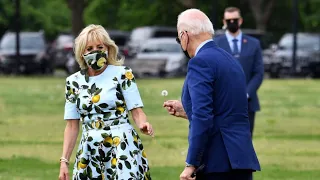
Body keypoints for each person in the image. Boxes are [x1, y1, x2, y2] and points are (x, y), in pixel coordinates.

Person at [163, 9, 260, 180]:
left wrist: (191, 163)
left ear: (184, 36)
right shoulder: (231, 60)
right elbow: (226, 110)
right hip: (241, 160)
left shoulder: (199, 62)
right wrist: (187, 111)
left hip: (216, 163)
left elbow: (203, 116)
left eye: (179, 39)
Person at [58, 24, 153, 180]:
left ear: (108, 48)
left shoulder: (123, 74)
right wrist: (64, 161)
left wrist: (143, 124)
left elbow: (137, 111)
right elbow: (72, 126)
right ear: (82, 52)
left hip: (121, 146)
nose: (95, 52)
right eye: (89, 49)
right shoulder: (73, 82)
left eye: (100, 46)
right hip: (90, 149)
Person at [214, 7, 264, 137]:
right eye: (228, 20)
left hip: (247, 103)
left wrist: (246, 93)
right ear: (224, 21)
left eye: (234, 19)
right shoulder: (216, 43)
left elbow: (258, 73)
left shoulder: (254, 44)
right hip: (223, 103)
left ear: (240, 20)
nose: (232, 22)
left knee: (245, 140)